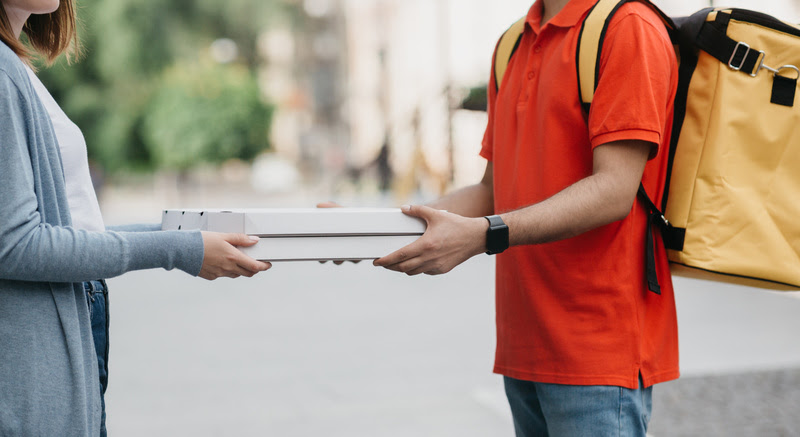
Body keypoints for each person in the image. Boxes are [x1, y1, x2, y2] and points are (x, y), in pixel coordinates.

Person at [374, 0, 680, 435]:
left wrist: (485, 236)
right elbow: (490, 191)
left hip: (597, 350)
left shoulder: (627, 26)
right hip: (524, 343)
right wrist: (368, 228)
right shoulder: (513, 42)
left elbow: (614, 190)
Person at [0, 0, 272, 435]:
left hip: (71, 325)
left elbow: (73, 230)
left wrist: (189, 233)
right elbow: (15, 244)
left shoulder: (15, 65)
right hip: (35, 359)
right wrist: (178, 249)